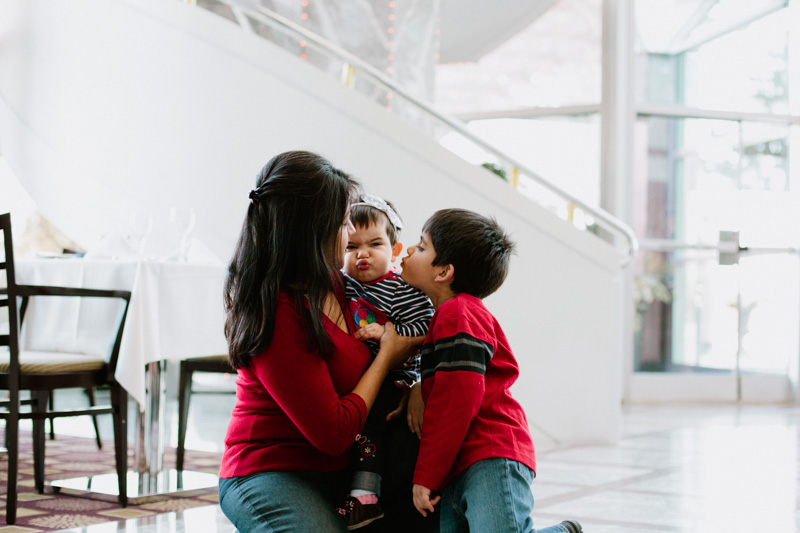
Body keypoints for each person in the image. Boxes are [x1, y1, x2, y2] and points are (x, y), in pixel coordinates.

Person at [217, 151, 436, 533]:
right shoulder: (277, 313)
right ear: (311, 231)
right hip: (274, 472)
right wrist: (387, 358)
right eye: (342, 223)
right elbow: (334, 434)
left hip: (350, 467)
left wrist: (418, 385)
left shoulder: (339, 284)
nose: (350, 233)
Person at [399, 208, 583, 533]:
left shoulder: (459, 314)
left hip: (490, 453)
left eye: (422, 245)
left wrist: (426, 475)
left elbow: (456, 400)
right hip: (461, 462)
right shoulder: (451, 315)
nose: (410, 250)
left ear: (444, 272)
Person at [337, 194, 434, 529]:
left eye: (374, 244)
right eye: (351, 247)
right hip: (357, 379)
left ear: (394, 250)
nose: (362, 254)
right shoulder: (342, 284)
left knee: (371, 425)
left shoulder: (401, 288)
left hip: (396, 377)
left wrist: (389, 331)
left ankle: (366, 495)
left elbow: (426, 327)